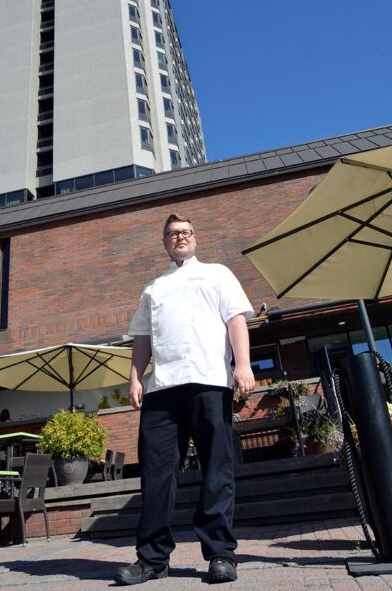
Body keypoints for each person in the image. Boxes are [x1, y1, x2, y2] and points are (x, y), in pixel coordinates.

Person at [114, 213, 255, 586]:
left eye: (186, 232)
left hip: (210, 381)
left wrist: (243, 365)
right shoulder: (153, 288)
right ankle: (152, 559)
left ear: (195, 238)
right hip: (161, 389)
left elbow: (236, 321)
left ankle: (221, 554)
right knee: (156, 475)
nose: (180, 237)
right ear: (164, 242)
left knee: (217, 469)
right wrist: (135, 378)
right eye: (173, 233)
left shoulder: (218, 274)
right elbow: (142, 338)